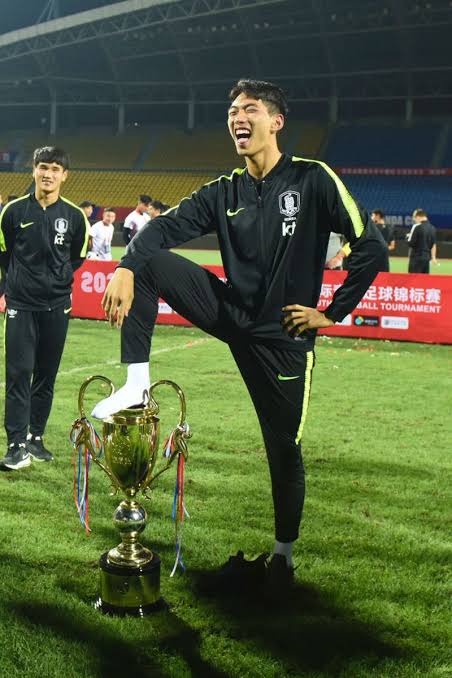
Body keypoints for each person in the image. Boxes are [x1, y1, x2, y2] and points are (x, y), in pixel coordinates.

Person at [93, 79, 386, 594]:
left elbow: (371, 247)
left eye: (249, 109)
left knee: (283, 450)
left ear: (276, 121)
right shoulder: (223, 191)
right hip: (231, 312)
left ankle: (283, 556)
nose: (237, 118)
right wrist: (124, 267)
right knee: (150, 263)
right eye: (232, 111)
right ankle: (136, 384)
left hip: (283, 336)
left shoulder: (312, 178)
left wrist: (331, 313)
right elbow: (161, 229)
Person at [0, 146, 89, 471]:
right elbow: (4, 253)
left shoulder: (75, 217)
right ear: (33, 170)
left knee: (46, 375)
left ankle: (35, 438)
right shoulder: (12, 212)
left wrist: (57, 280)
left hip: (56, 306)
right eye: (43, 167)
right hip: (21, 305)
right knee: (18, 373)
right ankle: (16, 446)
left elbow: (77, 257)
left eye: (54, 169)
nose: (48, 174)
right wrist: (15, 284)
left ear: (64, 175)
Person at [407, 208, 437, 273]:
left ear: (418, 217)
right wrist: (433, 257)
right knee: (424, 278)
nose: (414, 219)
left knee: (413, 278)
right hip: (427, 258)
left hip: (416, 258)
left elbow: (411, 243)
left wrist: (407, 237)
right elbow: (433, 244)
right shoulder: (432, 228)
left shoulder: (417, 227)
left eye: (414, 217)